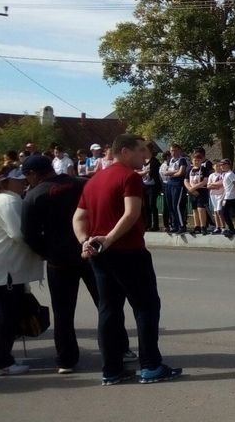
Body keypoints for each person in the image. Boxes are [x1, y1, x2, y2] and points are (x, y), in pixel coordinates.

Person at [73, 135, 181, 385]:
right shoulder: (129, 177)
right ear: (124, 151)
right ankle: (151, 366)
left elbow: (79, 217)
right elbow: (131, 213)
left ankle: (111, 370)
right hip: (129, 252)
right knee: (146, 307)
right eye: (141, 150)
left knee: (108, 310)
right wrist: (109, 239)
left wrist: (85, 241)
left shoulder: (94, 180)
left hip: (100, 255)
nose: (146, 155)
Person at [21, 155, 125, 375]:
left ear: (32, 174)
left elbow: (28, 234)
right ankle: (119, 349)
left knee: (63, 312)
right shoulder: (82, 184)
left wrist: (46, 252)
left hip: (59, 261)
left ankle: (66, 359)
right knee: (106, 304)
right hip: (92, 253)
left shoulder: (34, 196)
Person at [0, 166, 43, 376]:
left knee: (6, 315)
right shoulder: (8, 201)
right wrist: (42, 247)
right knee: (8, 316)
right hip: (7, 270)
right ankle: (3, 361)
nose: (22, 182)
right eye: (17, 180)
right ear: (5, 182)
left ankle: (4, 356)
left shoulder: (7, 200)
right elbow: (18, 234)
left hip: (5, 269)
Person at [162, 143, 189, 234]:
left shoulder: (182, 160)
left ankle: (182, 225)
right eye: (172, 150)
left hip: (178, 185)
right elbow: (165, 172)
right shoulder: (170, 160)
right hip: (169, 184)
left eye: (175, 150)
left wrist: (171, 173)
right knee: (170, 206)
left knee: (176, 206)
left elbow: (181, 172)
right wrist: (175, 171)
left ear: (179, 150)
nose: (173, 152)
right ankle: (175, 225)